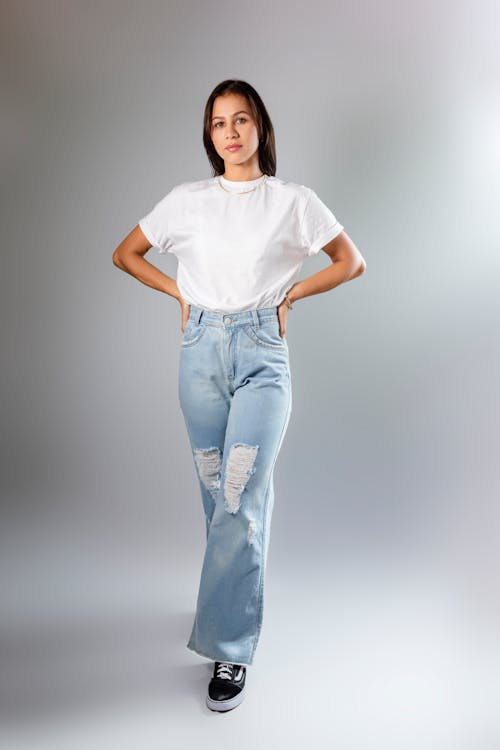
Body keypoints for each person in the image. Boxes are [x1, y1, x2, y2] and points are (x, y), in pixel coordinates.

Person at [112, 78, 366, 712]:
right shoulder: (187, 201)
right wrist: (181, 296)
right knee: (218, 492)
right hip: (200, 355)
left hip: (261, 356)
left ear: (261, 129)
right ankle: (227, 604)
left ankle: (229, 645)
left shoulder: (293, 201)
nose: (230, 132)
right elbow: (127, 254)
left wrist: (291, 296)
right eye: (219, 122)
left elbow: (349, 260)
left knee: (239, 494)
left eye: (241, 120)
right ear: (210, 136)